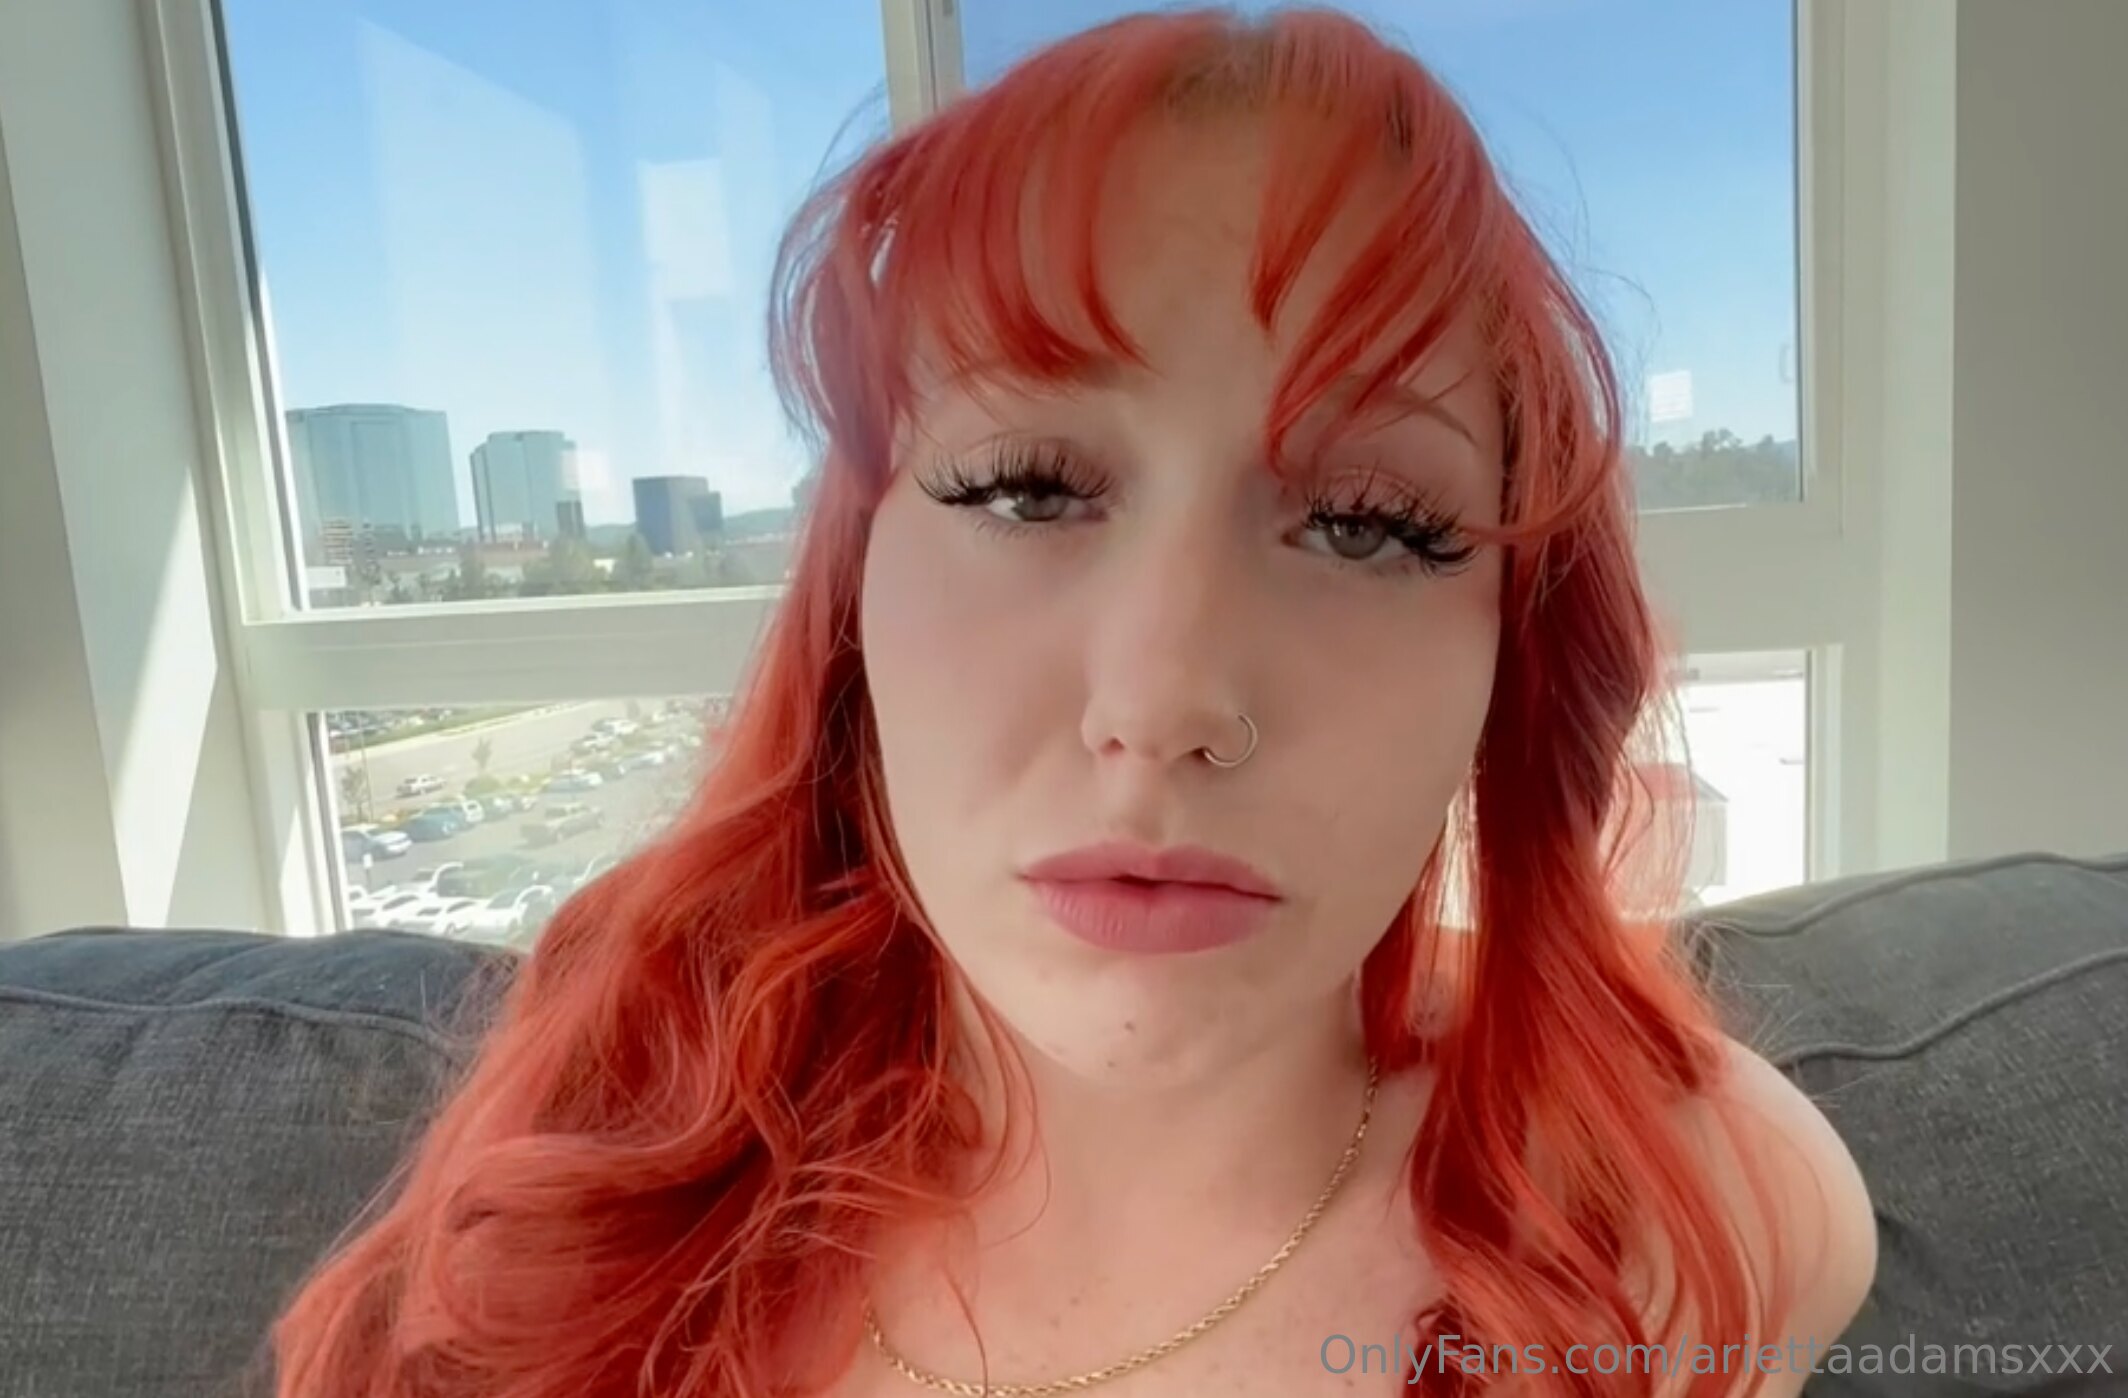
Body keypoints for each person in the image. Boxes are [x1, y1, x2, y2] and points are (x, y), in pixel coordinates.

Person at [270, 7, 1874, 1395]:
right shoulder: (598, 1144)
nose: (1164, 703)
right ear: (853, 605)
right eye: (1028, 489)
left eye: (1368, 523)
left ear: (1514, 655)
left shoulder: (1689, 1220)